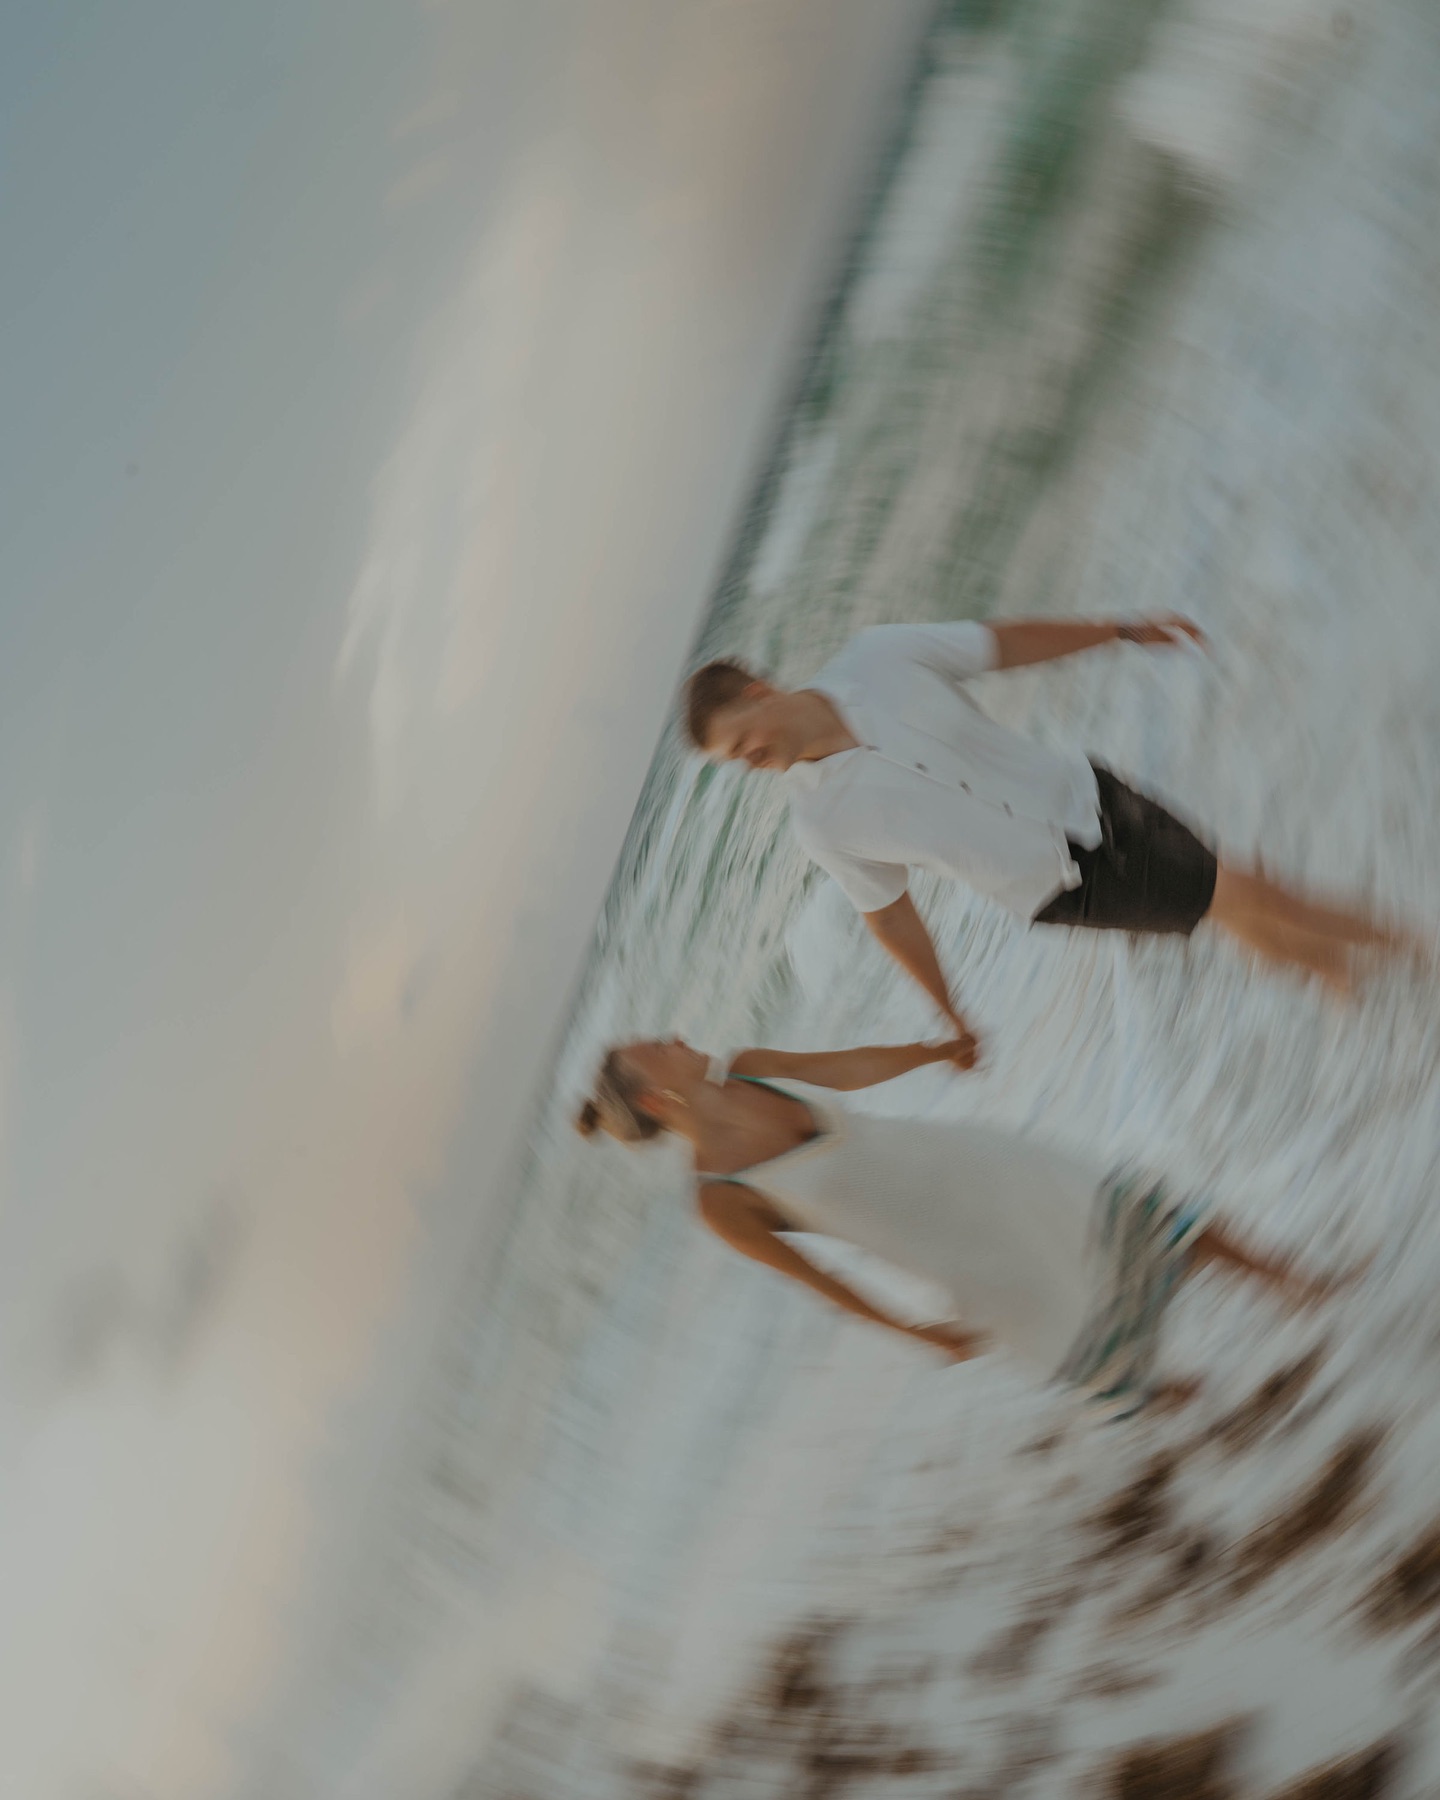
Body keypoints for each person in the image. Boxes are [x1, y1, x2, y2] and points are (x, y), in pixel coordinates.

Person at [683, 616, 1420, 1057]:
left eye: (743, 742)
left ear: (759, 693)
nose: (750, 764)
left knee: (1240, 896)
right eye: (734, 763)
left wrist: (1120, 629)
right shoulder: (820, 823)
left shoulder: (879, 657)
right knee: (1228, 899)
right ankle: (1378, 963)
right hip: (1055, 887)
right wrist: (950, 1013)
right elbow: (890, 917)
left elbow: (1001, 643)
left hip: (1088, 797)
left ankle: (1376, 962)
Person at [575, 1033, 1354, 1417]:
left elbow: (844, 1069)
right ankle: (1234, 1415)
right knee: (1088, 1346)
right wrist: (915, 1332)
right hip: (950, 1246)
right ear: (653, 1101)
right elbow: (818, 1282)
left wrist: (935, 1048)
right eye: (658, 1048)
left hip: (979, 1167)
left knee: (1139, 1210)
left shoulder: (747, 1063)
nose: (676, 1039)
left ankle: (1301, 1289)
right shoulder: (720, 1200)